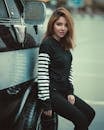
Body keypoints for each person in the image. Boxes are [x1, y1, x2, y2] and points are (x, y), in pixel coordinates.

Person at [37, 7, 95, 130]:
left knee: (90, 113)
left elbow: (69, 73)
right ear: (52, 24)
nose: (63, 28)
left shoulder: (65, 46)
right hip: (51, 93)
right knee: (81, 121)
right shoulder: (47, 45)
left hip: (63, 92)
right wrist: (46, 104)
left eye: (66, 25)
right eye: (59, 24)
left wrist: (70, 92)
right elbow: (42, 75)